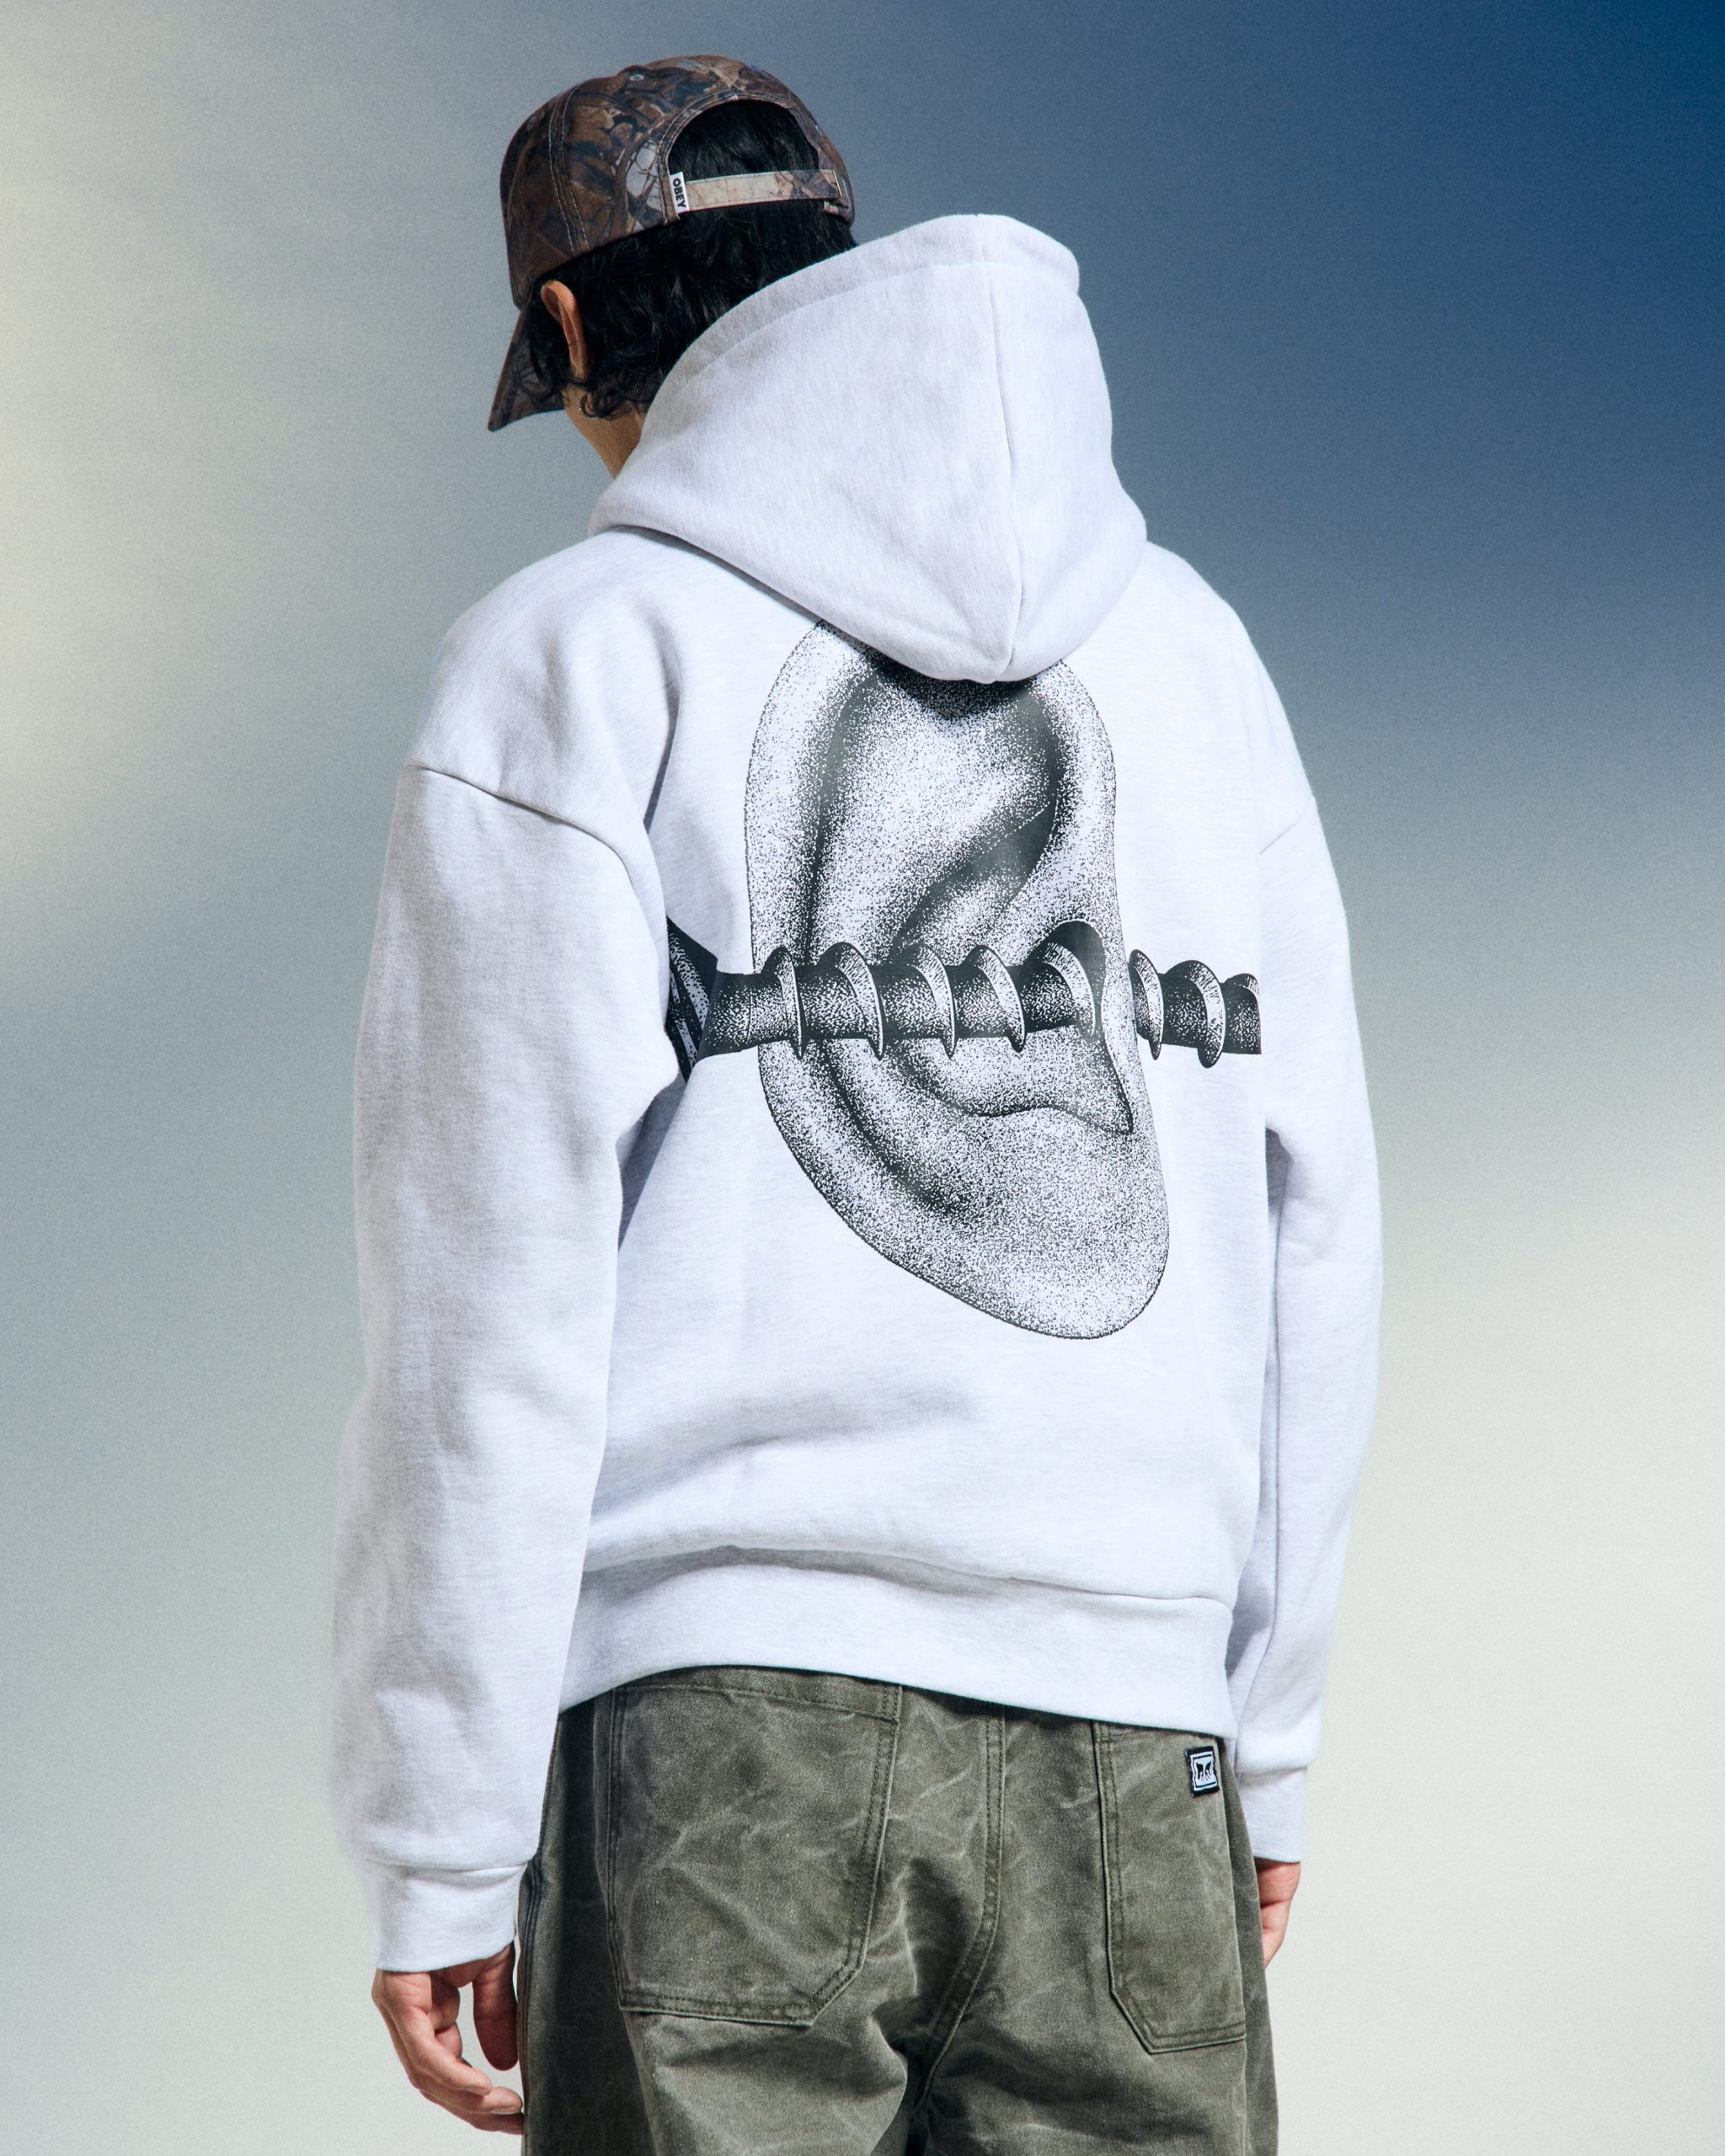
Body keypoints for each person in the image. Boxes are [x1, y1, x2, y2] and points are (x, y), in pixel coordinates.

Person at [329, 52, 1381, 2153]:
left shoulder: (573, 653)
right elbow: (1314, 1221)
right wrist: (1260, 1726)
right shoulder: (1193, 659)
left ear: (564, 331)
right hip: (1134, 1717)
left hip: (721, 1736)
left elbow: (485, 1296)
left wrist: (442, 1835)